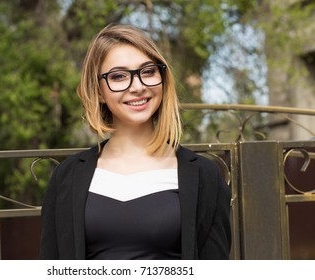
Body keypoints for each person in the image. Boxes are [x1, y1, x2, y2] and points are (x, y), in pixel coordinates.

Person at [40, 24, 231, 260]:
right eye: (118, 76)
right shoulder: (66, 177)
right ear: (98, 91)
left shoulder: (205, 177)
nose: (138, 86)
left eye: (148, 71)